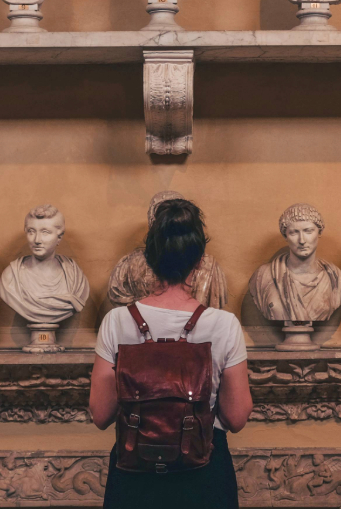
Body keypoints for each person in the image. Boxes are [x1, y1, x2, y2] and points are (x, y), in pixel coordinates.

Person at [90, 198, 252, 509]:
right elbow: (236, 417)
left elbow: (100, 415)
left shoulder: (116, 321)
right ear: (200, 260)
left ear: (149, 257)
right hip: (204, 475)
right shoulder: (224, 324)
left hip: (135, 475)